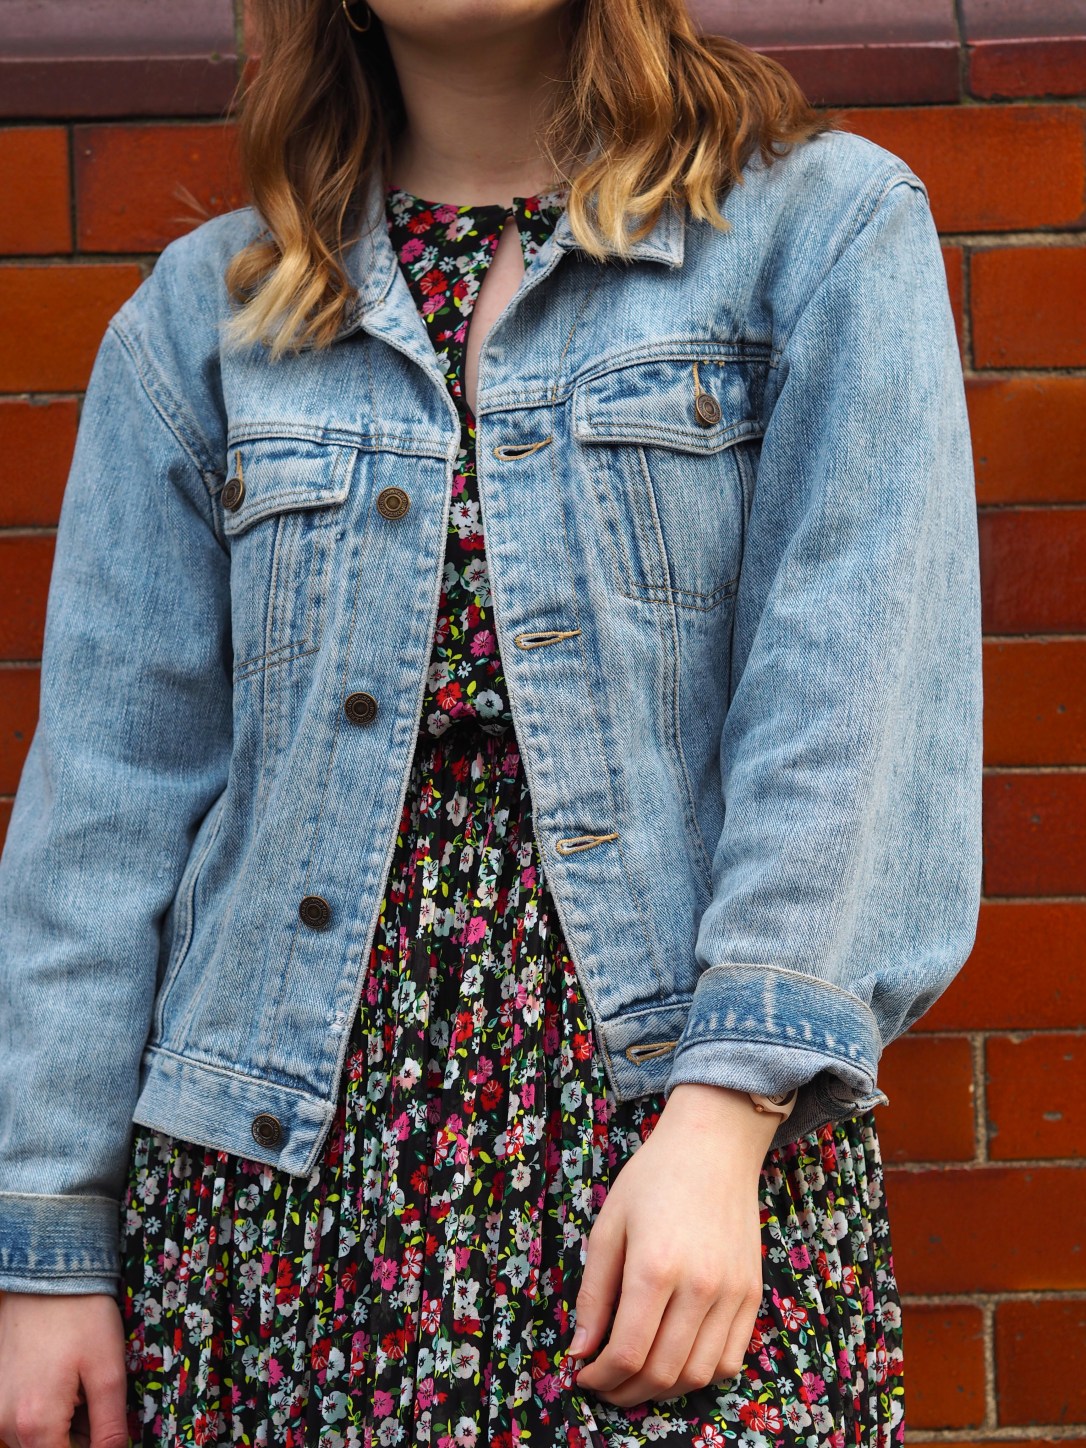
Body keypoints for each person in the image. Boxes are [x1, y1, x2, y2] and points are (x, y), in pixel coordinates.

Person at [0, 0, 982, 1444]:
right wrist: (49, 1250)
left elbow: (853, 709)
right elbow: (107, 804)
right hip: (272, 1196)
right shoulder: (203, 319)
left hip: (669, 1170)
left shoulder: (815, 234)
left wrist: (724, 1124)